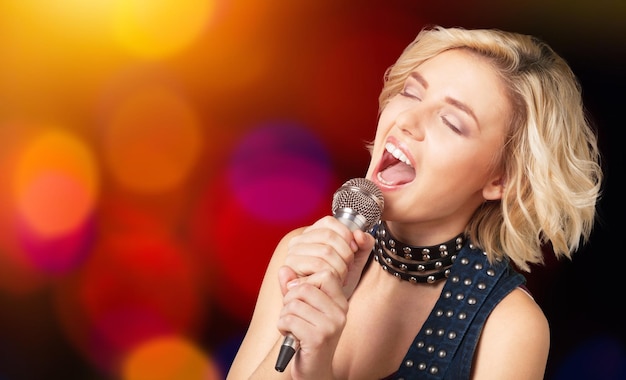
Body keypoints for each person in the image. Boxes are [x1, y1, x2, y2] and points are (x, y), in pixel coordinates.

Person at [226, 25, 603, 379]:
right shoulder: (301, 256)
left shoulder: (508, 326)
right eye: (411, 92)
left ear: (500, 179)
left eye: (451, 122)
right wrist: (301, 348)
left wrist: (318, 366)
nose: (408, 120)